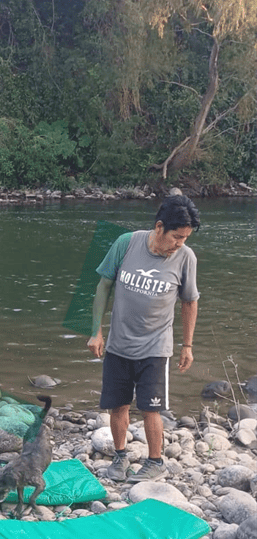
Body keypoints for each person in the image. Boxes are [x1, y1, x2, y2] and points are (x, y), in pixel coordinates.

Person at [87, 194, 200, 482]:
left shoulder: (185, 258)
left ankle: (155, 461)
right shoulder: (126, 242)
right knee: (118, 404)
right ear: (159, 227)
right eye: (177, 237)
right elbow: (103, 286)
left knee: (152, 407)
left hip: (155, 347)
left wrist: (187, 345)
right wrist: (96, 331)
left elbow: (189, 302)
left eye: (185, 238)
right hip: (118, 344)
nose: (180, 244)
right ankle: (120, 456)